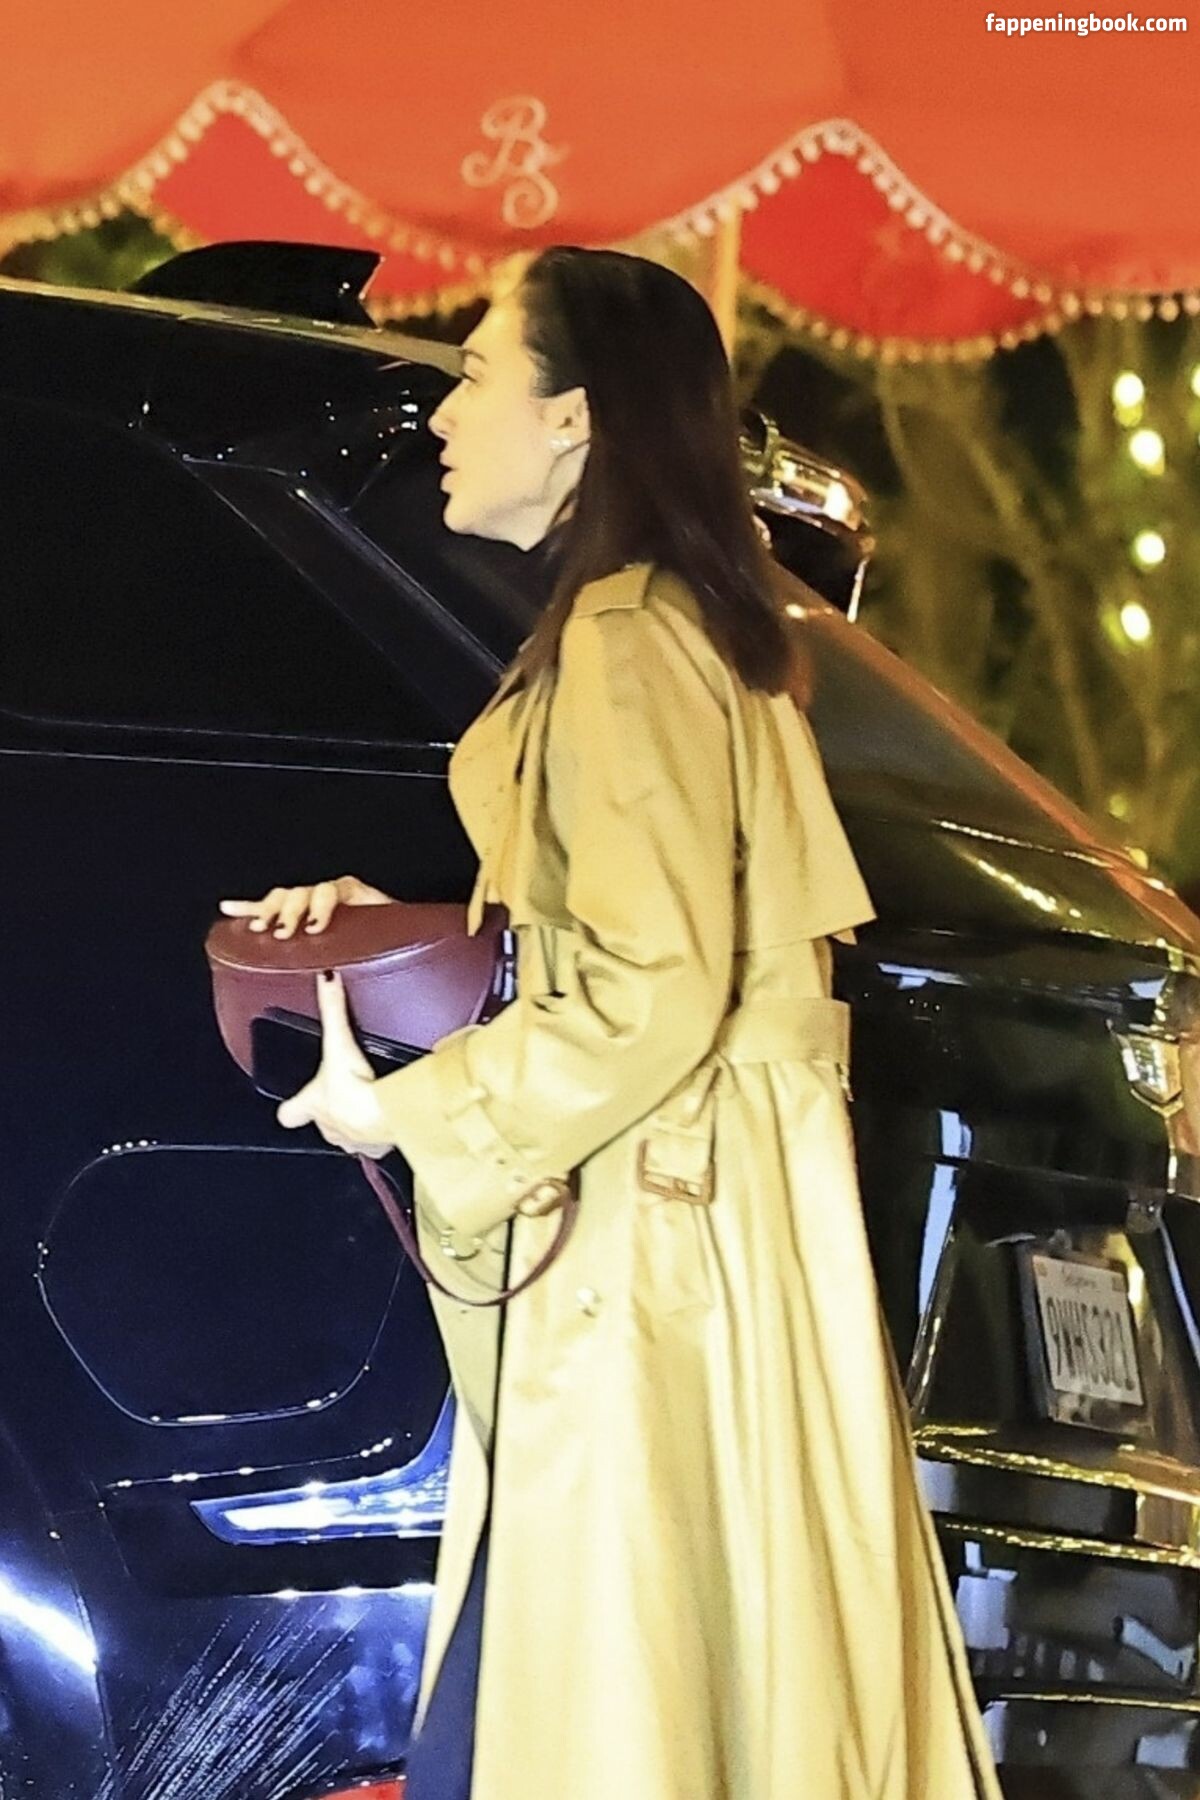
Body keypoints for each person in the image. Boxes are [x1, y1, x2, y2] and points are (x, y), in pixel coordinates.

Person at [223, 247, 1002, 1800]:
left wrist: (406, 1113)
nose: (446, 412)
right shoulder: (675, 626)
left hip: (654, 1257)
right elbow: (647, 941)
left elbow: (652, 988)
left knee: (595, 1715)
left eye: (477, 373)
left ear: (575, 418)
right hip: (707, 1240)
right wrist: (404, 928)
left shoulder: (630, 639)